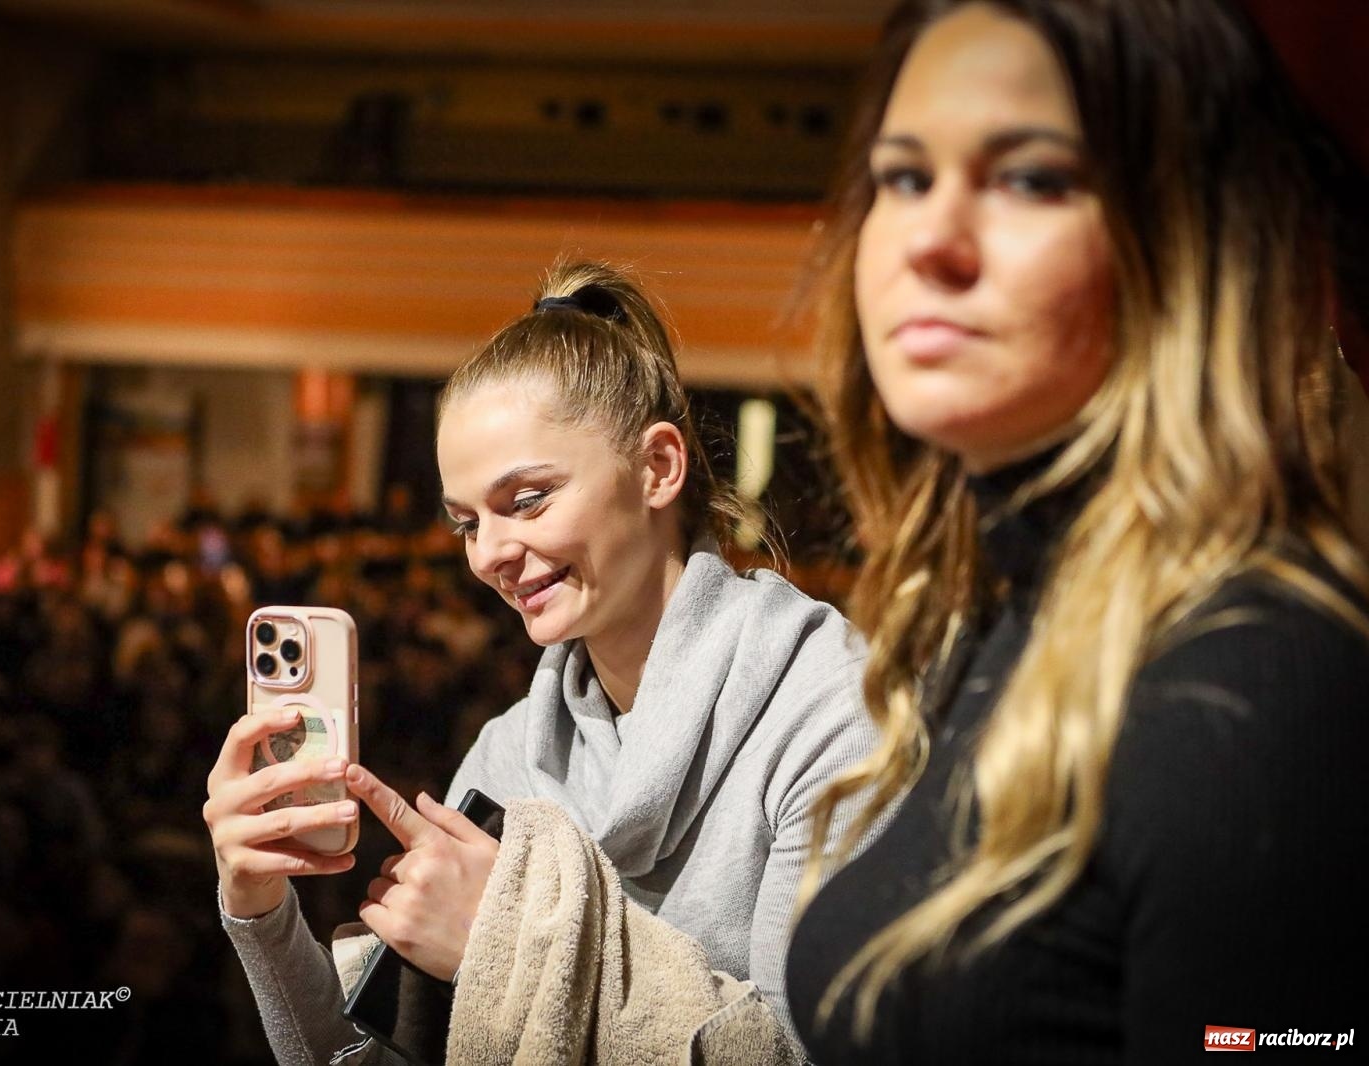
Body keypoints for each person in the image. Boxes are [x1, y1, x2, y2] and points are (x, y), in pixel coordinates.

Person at [783, 1, 1369, 1062]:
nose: (932, 238)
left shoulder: (1258, 677)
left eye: (1030, 178)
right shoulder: (992, 617)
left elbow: (1282, 1040)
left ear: (1186, 243)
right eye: (904, 176)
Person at [205, 261, 881, 1062]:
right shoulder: (512, 752)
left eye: (527, 501)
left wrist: (512, 948)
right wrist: (262, 908)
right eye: (466, 523)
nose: (490, 554)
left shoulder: (834, 713)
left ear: (658, 467)